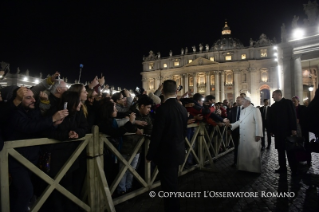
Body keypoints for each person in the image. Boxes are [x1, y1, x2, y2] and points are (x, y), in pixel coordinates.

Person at [3, 88, 68, 212]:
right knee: (25, 191)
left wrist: (54, 124)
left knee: (25, 193)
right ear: (17, 100)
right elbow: (28, 127)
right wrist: (51, 119)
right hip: (17, 161)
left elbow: (39, 126)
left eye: (33, 97)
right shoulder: (13, 113)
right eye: (28, 97)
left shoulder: (31, 110)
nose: (34, 100)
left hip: (31, 159)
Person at [146, 80, 188, 212]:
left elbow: (157, 135)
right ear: (176, 91)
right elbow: (184, 132)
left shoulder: (163, 109)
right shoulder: (182, 108)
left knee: (169, 187)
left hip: (166, 154)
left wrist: (150, 154)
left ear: (162, 91)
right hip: (178, 151)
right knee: (172, 184)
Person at [228, 96, 263, 173]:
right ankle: (244, 168)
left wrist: (258, 134)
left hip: (252, 135)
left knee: (252, 152)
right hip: (243, 134)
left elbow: (259, 123)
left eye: (243, 102)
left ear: (248, 102)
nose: (242, 103)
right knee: (244, 152)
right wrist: (231, 125)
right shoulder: (243, 111)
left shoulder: (255, 110)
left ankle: (254, 170)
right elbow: (239, 121)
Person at [268, 90, 297, 174]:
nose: (272, 97)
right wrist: (271, 130)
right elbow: (271, 120)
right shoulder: (273, 106)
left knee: (290, 151)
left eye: (273, 95)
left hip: (287, 132)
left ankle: (294, 169)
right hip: (278, 133)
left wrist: (294, 129)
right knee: (280, 151)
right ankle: (282, 167)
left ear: (279, 95)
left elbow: (293, 116)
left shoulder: (288, 103)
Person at [227, 96, 242, 167]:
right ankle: (235, 162)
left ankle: (243, 162)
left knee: (243, 147)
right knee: (236, 147)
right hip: (234, 130)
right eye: (236, 100)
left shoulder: (246, 109)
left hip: (243, 131)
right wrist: (229, 129)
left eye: (238, 100)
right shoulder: (232, 109)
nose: (237, 101)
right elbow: (229, 120)